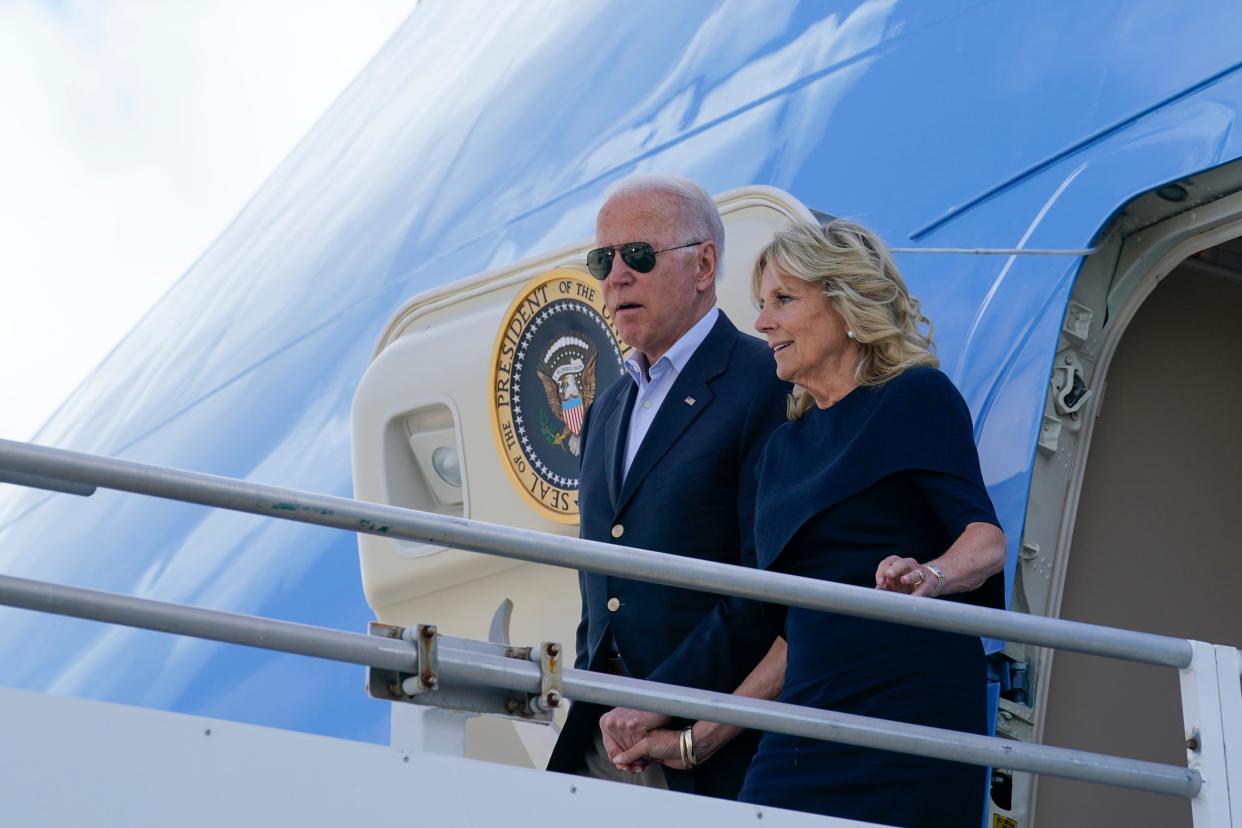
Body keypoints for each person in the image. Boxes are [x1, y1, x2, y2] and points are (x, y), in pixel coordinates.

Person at [610, 218, 1006, 825]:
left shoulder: (915, 397)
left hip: (908, 710)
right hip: (804, 724)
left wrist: (930, 575)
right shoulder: (783, 449)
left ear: (846, 303)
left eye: (783, 300)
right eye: (761, 305)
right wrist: (698, 738)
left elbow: (985, 541)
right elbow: (795, 633)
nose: (763, 322)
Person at [544, 175, 789, 799]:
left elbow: (760, 585)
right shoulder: (607, 406)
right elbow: (597, 578)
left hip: (711, 748)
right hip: (604, 740)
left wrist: (660, 701)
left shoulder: (764, 382)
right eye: (604, 260)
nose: (616, 277)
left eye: (640, 256)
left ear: (704, 264)